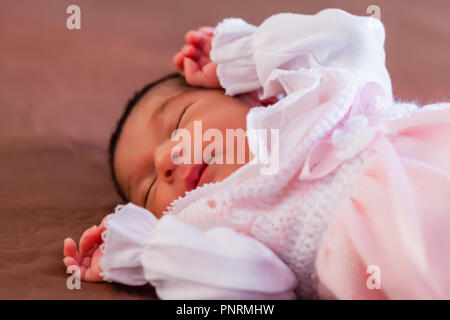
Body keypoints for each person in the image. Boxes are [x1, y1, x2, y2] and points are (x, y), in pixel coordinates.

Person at [63, 8, 450, 299]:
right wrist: (143, 252)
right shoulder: (218, 222)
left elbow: (356, 37)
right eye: (147, 190)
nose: (165, 161)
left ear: (253, 96)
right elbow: (256, 293)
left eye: (179, 121)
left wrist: (246, 58)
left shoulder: (316, 94)